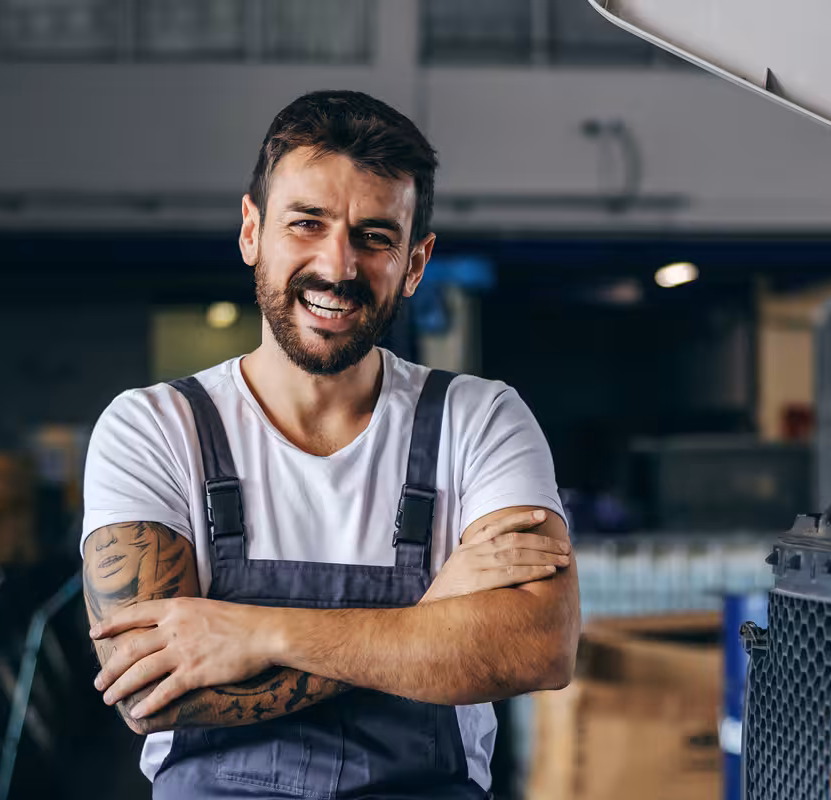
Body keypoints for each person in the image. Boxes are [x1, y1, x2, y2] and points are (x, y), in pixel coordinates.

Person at [81, 90, 580, 799]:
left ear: (414, 262)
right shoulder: (155, 429)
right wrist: (429, 624)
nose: (338, 266)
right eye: (307, 223)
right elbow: (150, 691)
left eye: (375, 236)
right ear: (252, 230)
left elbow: (539, 646)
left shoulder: (480, 420)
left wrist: (256, 635)